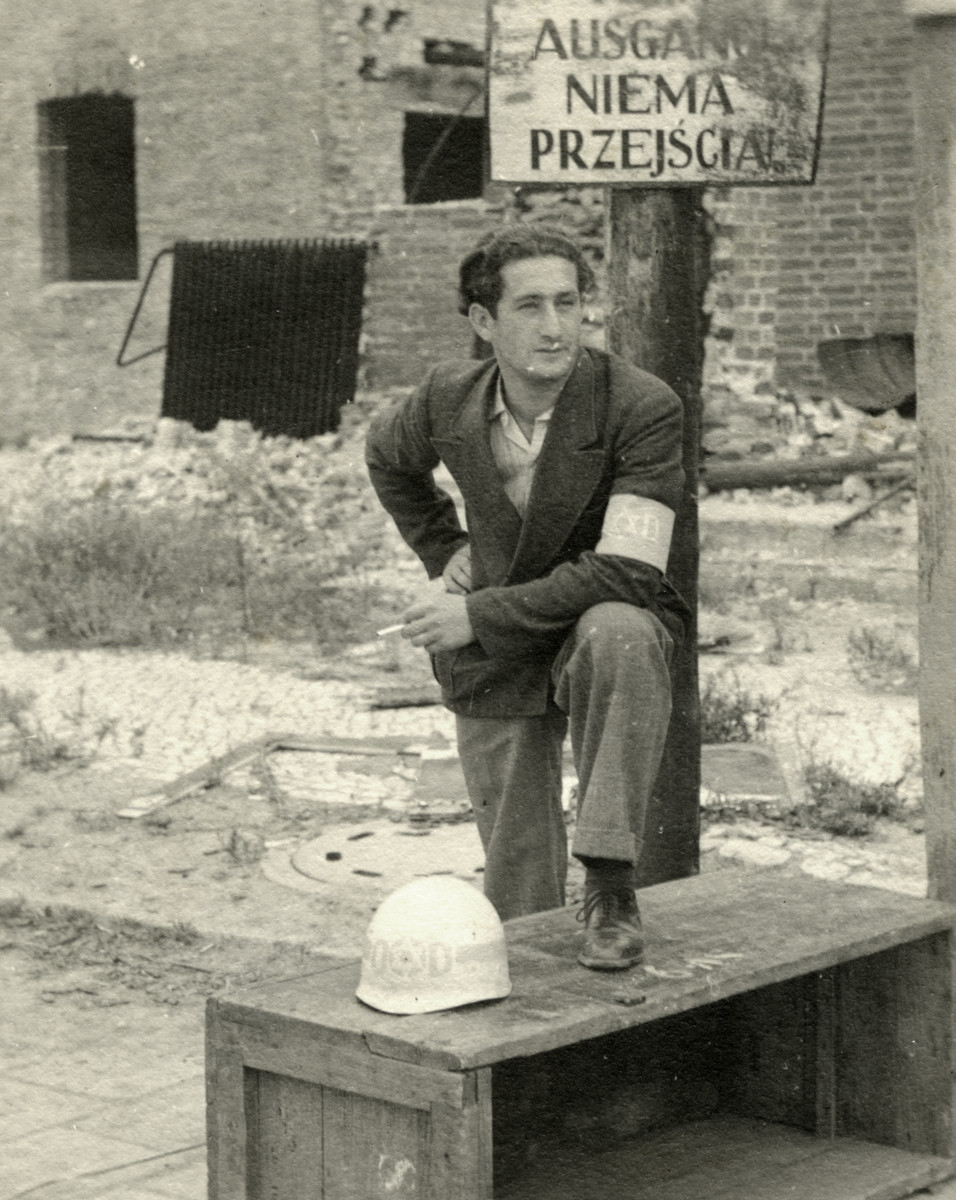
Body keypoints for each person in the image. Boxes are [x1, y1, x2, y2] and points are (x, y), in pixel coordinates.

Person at [365, 225, 689, 970]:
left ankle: (609, 885)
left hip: (589, 616)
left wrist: (469, 612)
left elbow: (629, 571)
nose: (554, 327)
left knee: (623, 631)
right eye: (530, 307)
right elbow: (387, 458)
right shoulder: (448, 398)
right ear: (484, 322)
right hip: (498, 644)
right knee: (518, 907)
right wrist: (446, 551)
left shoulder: (641, 406)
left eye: (568, 304)